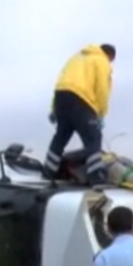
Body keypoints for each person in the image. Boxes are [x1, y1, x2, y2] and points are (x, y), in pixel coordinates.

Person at [44, 43, 116, 185]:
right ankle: (96, 177)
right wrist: (101, 113)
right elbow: (102, 89)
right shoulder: (102, 61)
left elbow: (61, 82)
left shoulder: (75, 59)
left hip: (61, 97)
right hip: (81, 100)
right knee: (93, 137)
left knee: (61, 136)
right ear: (110, 56)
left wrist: (54, 108)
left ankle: (48, 172)